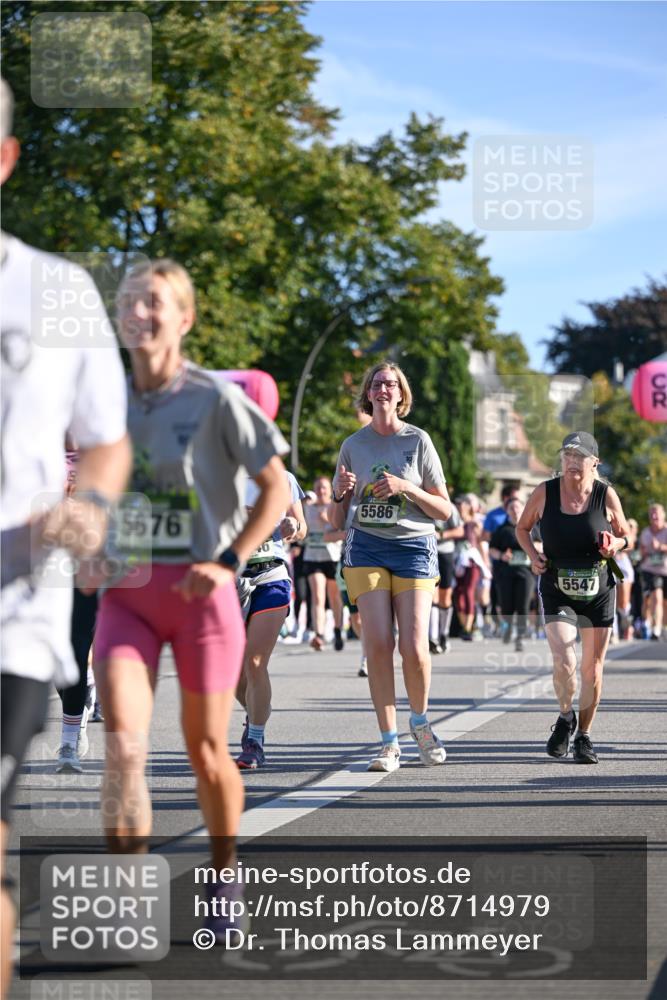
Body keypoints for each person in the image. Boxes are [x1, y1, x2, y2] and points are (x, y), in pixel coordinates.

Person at [92, 259, 289, 937]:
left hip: (203, 595)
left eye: (152, 302)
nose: (137, 313)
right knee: (122, 747)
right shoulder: (103, 401)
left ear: (184, 318)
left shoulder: (213, 398)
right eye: (127, 302)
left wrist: (231, 560)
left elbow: (278, 490)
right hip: (127, 597)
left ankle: (223, 869)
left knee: (205, 751)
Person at [0, 76, 131, 1000]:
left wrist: (91, 507)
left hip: (11, 611)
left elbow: (108, 439)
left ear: (4, 159)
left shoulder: (57, 292)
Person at [329, 361, 452, 773]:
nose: (383, 389)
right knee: (377, 645)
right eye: (377, 383)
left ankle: (420, 722)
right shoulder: (353, 444)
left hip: (414, 547)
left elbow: (445, 510)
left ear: (402, 394)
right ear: (368, 393)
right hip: (366, 546)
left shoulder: (418, 441)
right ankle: (388, 743)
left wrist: (407, 488)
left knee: (413, 647)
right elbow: (334, 520)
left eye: (391, 384)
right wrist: (340, 494)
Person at [516, 431, 631, 765]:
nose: (572, 462)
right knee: (564, 658)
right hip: (556, 584)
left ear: (594, 463)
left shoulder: (605, 494)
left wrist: (616, 545)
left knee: (592, 670)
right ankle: (565, 716)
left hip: (599, 587)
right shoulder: (545, 492)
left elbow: (627, 536)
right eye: (567, 455)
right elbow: (522, 528)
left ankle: (584, 735)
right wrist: (532, 555)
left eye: (579, 456)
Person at [235, 470, 307, 769]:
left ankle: (254, 740)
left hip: (271, 574)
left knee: (255, 662)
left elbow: (301, 527)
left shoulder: (282, 478)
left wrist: (294, 525)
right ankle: (257, 711)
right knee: (232, 674)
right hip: (229, 579)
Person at [489, 496, 536, 651]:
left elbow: (543, 546)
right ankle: (508, 629)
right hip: (505, 572)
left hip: (526, 572)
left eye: (518, 507)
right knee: (506, 605)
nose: (515, 510)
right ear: (507, 511)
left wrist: (532, 548)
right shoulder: (502, 530)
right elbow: (492, 549)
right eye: (512, 508)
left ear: (523, 509)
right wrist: (502, 555)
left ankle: (520, 637)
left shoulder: (532, 528)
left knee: (523, 604)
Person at [302, 477, 344, 650]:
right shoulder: (308, 508)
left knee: (334, 598)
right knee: (318, 595)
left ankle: (337, 630)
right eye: (318, 488)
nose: (321, 491)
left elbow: (342, 527)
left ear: (330, 489)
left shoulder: (334, 507)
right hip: (313, 557)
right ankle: (318, 634)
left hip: (332, 557)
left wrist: (327, 520)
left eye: (324, 488)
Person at [431, 506, 464, 653]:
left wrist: (441, 534)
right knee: (431, 595)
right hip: (426, 552)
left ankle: (444, 634)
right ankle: (432, 637)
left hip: (445, 552)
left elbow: (460, 530)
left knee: (445, 598)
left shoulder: (449, 506)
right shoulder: (417, 499)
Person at [638, 503, 667, 641]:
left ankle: (662, 626)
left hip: (665, 569)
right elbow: (641, 552)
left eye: (657, 513)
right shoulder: (645, 532)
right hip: (649, 569)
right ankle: (654, 628)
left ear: (663, 515)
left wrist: (661, 547)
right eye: (652, 514)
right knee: (656, 595)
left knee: (663, 602)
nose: (654, 516)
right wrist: (643, 552)